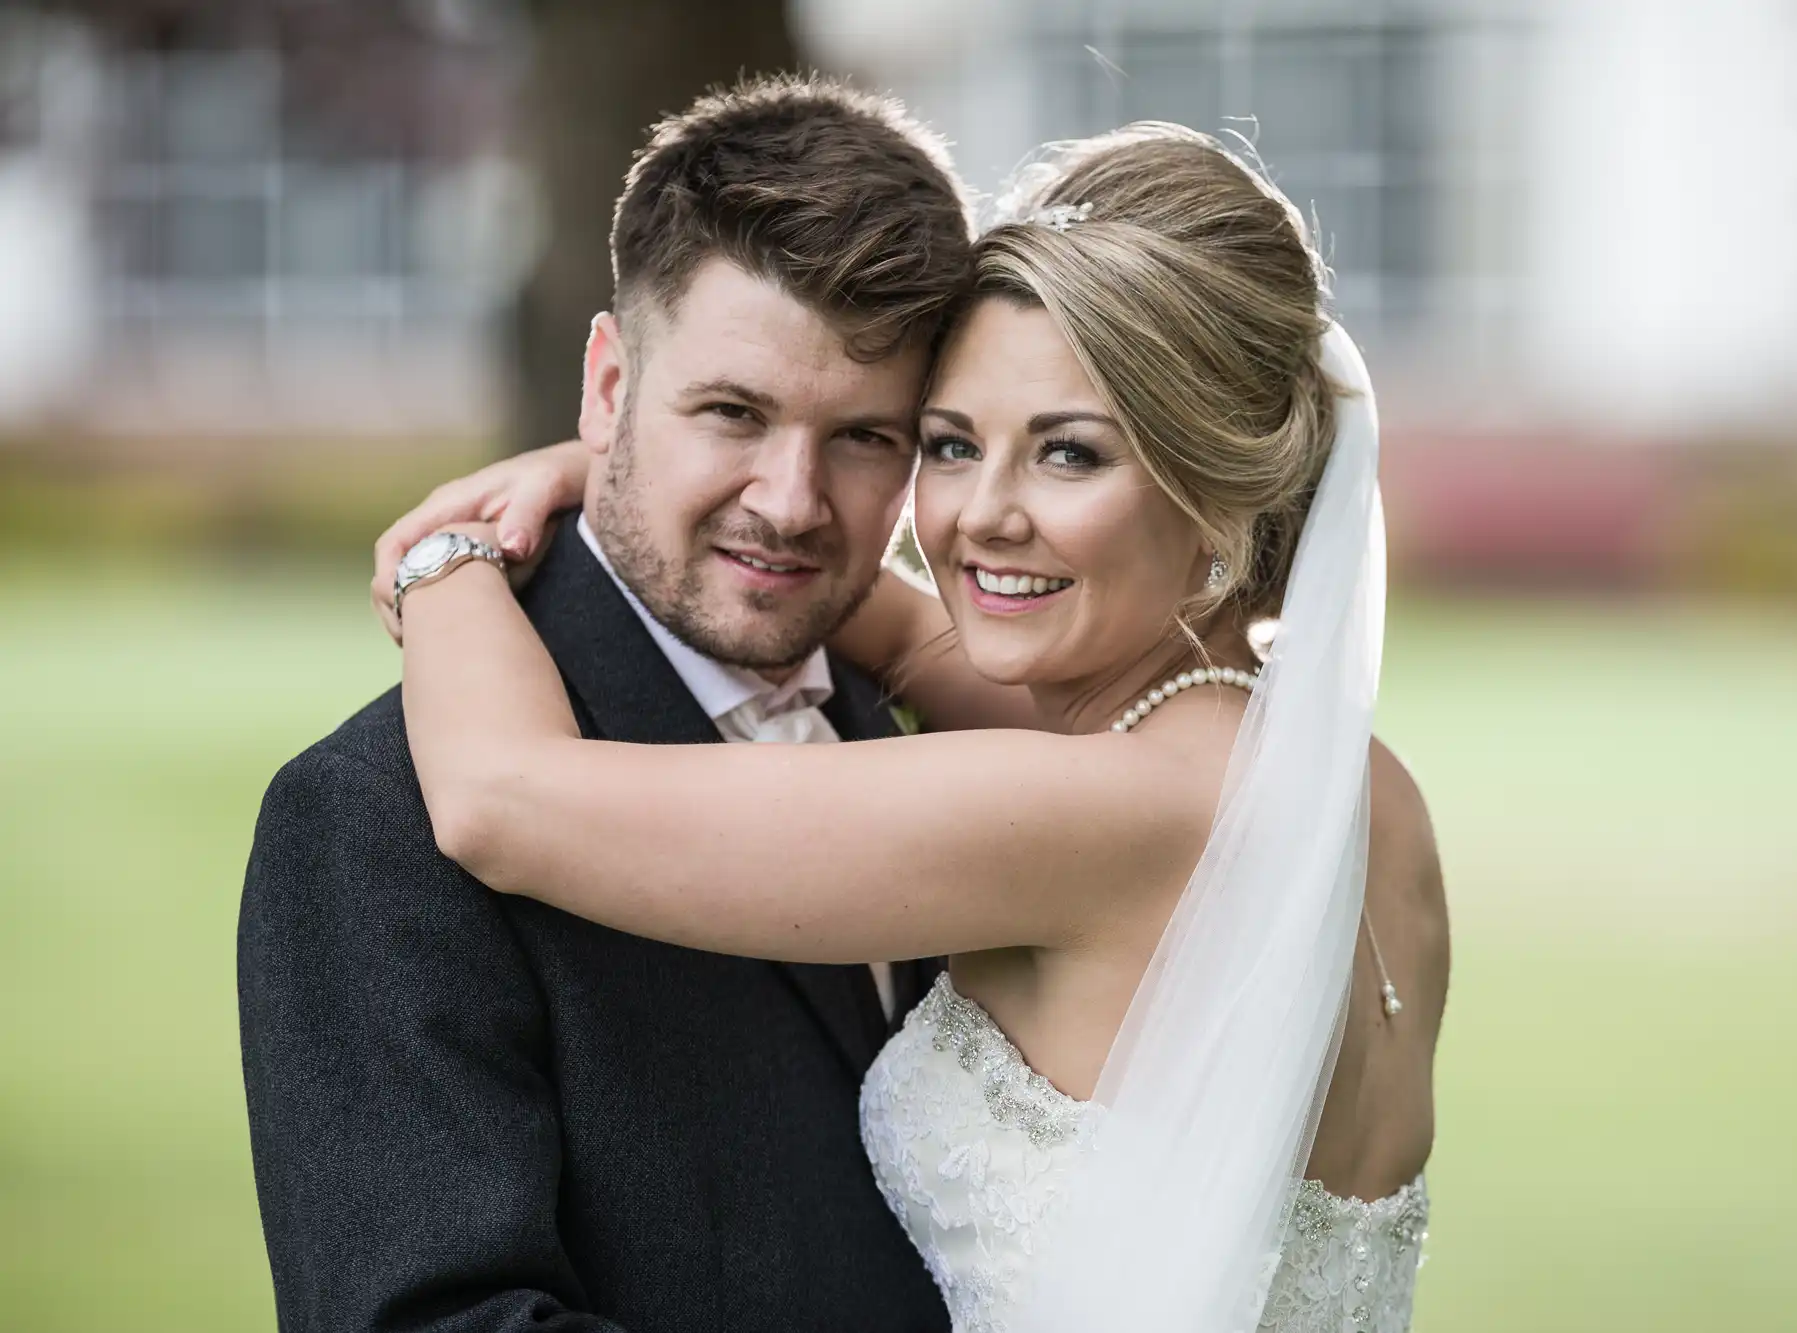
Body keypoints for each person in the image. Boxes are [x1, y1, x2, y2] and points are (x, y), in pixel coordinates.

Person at [380, 122, 1450, 1332]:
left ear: (1216, 488)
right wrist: (630, 460)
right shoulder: (1361, 794)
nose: (977, 515)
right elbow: (909, 634)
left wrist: (446, 553)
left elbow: (497, 797)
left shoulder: (1099, 814)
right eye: (947, 444)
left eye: (1067, 454)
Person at [238, 75, 972, 1333]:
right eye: (732, 413)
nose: (791, 500)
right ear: (607, 385)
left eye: (863, 438)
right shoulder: (369, 820)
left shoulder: (941, 732)